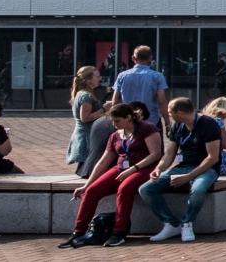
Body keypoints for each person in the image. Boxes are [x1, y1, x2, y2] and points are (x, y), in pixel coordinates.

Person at [61, 102, 163, 248]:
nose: (114, 124)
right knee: (91, 192)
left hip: (144, 168)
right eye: (113, 121)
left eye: (117, 121)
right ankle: (78, 231)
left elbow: (155, 155)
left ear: (128, 117)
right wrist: (86, 185)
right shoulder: (115, 135)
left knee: (124, 189)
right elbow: (103, 162)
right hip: (121, 168)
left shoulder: (147, 128)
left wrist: (133, 169)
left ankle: (119, 232)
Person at [138, 97, 222, 243]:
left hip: (206, 169)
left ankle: (187, 223)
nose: (168, 114)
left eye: (170, 112)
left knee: (197, 189)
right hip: (182, 167)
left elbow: (212, 157)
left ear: (180, 112)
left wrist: (189, 176)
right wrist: (158, 169)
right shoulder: (177, 126)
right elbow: (170, 153)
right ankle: (171, 223)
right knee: (146, 189)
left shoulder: (208, 124)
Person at [113, 46, 170, 126]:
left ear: (133, 58)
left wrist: (116, 120)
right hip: (151, 120)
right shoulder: (157, 76)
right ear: (150, 58)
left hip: (128, 120)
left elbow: (115, 100)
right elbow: (161, 101)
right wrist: (167, 123)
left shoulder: (122, 76)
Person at [65, 66, 104, 170]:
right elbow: (85, 118)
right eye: (97, 76)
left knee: (86, 167)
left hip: (86, 134)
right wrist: (104, 110)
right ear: (88, 80)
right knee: (85, 168)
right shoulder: (85, 96)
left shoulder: (84, 94)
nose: (99, 79)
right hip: (85, 136)